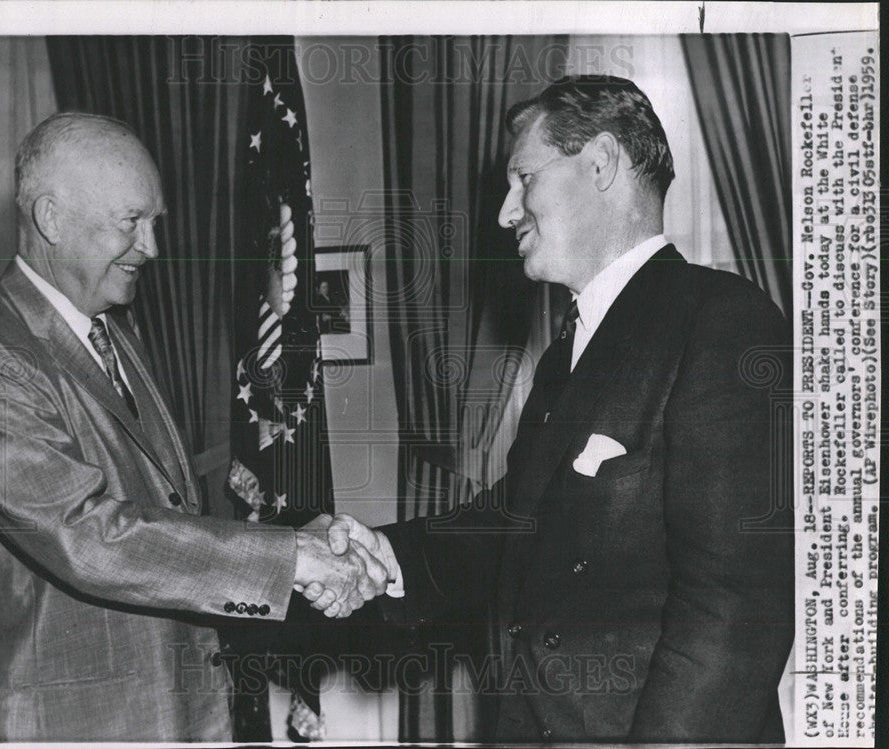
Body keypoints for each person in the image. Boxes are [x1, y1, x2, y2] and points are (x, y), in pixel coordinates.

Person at [316, 76, 794, 743]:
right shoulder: (568, 352)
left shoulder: (723, 324)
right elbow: (518, 523)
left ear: (599, 163)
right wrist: (390, 554)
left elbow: (736, 613)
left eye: (524, 179)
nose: (507, 211)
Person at [0, 112, 387, 742]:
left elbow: (161, 512)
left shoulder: (114, 329)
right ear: (51, 219)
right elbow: (85, 534)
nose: (152, 248)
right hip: (68, 725)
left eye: (154, 223)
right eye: (130, 223)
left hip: (177, 709)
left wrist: (292, 537)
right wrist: (290, 560)